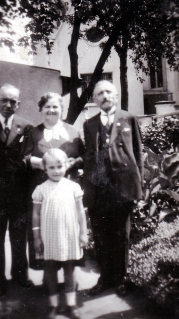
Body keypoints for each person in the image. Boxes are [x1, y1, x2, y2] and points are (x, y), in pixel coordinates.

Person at [83, 80, 143, 297]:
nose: (105, 96)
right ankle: (105, 278)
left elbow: (137, 153)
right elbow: (89, 156)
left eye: (108, 92)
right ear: (95, 99)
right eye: (100, 93)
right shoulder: (89, 124)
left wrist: (138, 187)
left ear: (116, 96)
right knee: (100, 234)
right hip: (98, 189)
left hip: (122, 188)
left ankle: (121, 278)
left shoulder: (129, 118)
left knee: (121, 235)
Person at [22, 92, 84, 269]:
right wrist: (41, 163)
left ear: (62, 110)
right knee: (44, 231)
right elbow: (24, 158)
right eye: (47, 107)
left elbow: (83, 156)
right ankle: (48, 279)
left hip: (67, 190)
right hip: (42, 192)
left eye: (55, 106)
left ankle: (69, 275)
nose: (51, 110)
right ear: (41, 109)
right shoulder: (33, 133)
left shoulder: (73, 132)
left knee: (67, 229)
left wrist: (74, 162)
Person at [32, 149, 87, 319]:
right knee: (50, 271)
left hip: (69, 236)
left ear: (66, 166)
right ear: (44, 168)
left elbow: (80, 212)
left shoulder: (73, 187)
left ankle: (71, 304)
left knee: (69, 270)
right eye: (51, 167)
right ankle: (53, 305)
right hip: (49, 237)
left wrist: (83, 233)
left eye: (60, 166)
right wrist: (36, 237)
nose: (56, 171)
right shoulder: (41, 189)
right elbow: (35, 214)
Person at [0, 84, 33, 296]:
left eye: (13, 101)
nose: (8, 105)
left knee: (19, 237)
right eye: (4, 100)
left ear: (19, 103)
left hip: (18, 193)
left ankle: (20, 275)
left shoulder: (26, 127)